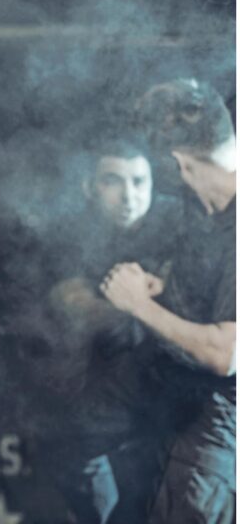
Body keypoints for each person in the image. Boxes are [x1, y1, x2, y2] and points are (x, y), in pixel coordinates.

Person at [102, 79, 236, 523]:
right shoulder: (205, 212)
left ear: (181, 161)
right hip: (175, 411)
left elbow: (227, 352)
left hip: (217, 436)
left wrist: (141, 306)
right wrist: (159, 285)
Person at [35, 132, 182, 524]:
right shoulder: (71, 234)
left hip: (167, 407)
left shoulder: (178, 226)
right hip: (94, 411)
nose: (129, 195)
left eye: (139, 181)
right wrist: (149, 300)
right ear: (90, 186)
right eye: (112, 181)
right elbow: (74, 306)